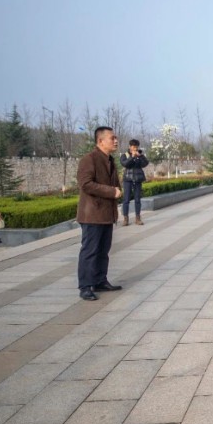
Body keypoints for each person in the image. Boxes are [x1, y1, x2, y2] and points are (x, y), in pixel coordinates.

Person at [77, 126, 123, 301]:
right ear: (100, 141)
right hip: (92, 214)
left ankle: (99, 280)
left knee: (103, 250)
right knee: (90, 251)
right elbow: (86, 184)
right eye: (112, 138)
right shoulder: (89, 159)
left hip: (105, 214)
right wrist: (111, 191)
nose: (116, 141)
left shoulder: (109, 160)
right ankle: (85, 286)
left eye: (115, 137)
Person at [119, 139, 149, 226]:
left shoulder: (139, 155)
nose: (134, 148)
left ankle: (138, 218)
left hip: (138, 179)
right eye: (133, 147)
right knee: (126, 200)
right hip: (128, 179)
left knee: (137, 200)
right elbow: (125, 164)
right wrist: (132, 156)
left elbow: (145, 163)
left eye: (136, 147)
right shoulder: (125, 155)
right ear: (130, 146)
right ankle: (125, 219)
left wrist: (140, 156)